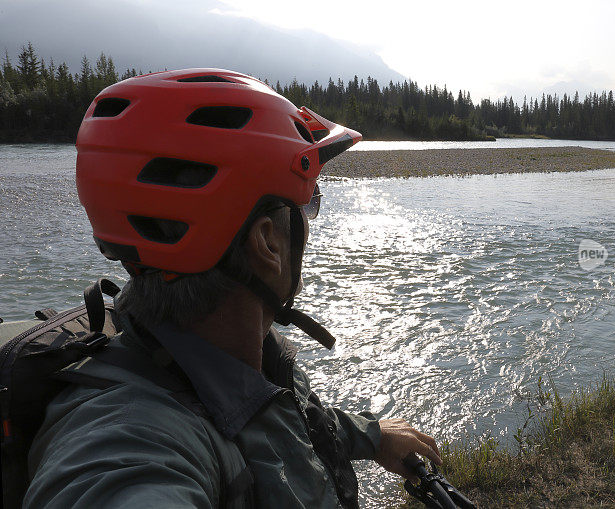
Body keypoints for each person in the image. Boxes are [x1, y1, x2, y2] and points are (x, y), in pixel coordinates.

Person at [23, 69, 441, 508]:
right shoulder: (128, 443)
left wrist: (369, 435)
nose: (311, 220)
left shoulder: (247, 357)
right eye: (309, 200)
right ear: (267, 242)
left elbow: (285, 421)